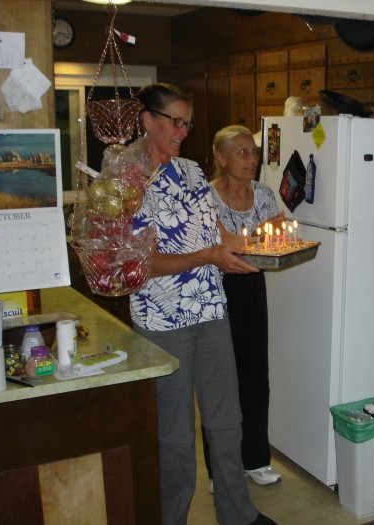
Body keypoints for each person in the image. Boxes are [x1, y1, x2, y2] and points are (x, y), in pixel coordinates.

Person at [130, 83, 276, 525]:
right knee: (174, 437)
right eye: (173, 121)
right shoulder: (126, 180)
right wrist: (209, 257)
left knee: (227, 423)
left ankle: (238, 514)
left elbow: (216, 233)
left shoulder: (192, 172)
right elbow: (141, 263)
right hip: (162, 319)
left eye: (186, 122)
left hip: (212, 311)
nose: (182, 130)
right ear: (147, 120)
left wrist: (265, 245)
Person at [201, 125, 285, 490]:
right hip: (214, 292)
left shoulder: (264, 194)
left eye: (253, 151)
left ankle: (255, 458)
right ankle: (220, 469)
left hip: (252, 288)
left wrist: (268, 237)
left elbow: (278, 236)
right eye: (242, 153)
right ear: (220, 158)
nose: (252, 159)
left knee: (255, 377)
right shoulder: (204, 198)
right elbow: (225, 243)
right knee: (218, 382)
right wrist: (258, 238)